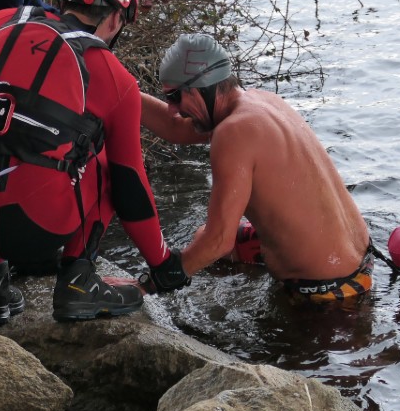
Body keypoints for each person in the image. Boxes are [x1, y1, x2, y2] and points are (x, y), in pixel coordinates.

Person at [0, 0, 189, 329]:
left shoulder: (1, 20)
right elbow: (130, 188)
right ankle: (78, 284)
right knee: (103, 158)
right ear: (117, 18)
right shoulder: (115, 79)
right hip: (38, 229)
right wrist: (163, 263)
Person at [140, 33, 380, 303]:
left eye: (174, 97)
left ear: (202, 88)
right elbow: (176, 128)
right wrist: (122, 95)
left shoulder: (233, 133)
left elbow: (219, 241)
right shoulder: (260, 102)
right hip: (360, 259)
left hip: (327, 291)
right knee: (201, 239)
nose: (172, 109)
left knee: (208, 244)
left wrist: (147, 285)